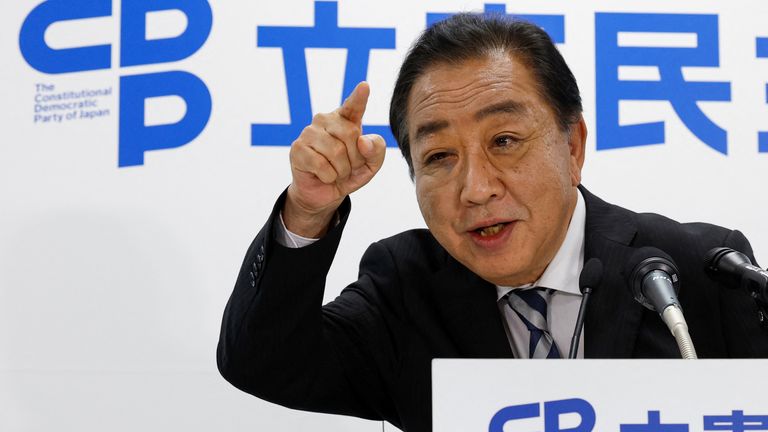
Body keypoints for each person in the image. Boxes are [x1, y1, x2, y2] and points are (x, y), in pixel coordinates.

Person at [217, 13, 768, 432]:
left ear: (572, 146)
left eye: (504, 141)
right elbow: (261, 362)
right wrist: (308, 211)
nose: (476, 188)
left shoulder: (700, 272)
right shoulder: (405, 288)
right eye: (438, 158)